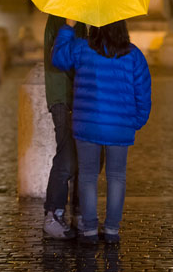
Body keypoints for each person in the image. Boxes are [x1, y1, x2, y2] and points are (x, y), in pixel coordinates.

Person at [51, 18, 151, 244]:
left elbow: (58, 58)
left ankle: (89, 231)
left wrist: (67, 27)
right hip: (120, 126)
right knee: (117, 177)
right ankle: (112, 230)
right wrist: (136, 121)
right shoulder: (134, 55)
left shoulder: (82, 48)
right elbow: (143, 92)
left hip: (88, 123)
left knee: (87, 177)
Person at [43, 14, 87, 239]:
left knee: (83, 155)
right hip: (64, 96)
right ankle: (53, 213)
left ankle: (78, 213)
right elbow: (62, 57)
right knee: (67, 156)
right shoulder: (63, 19)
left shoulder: (77, 18)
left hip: (76, 95)